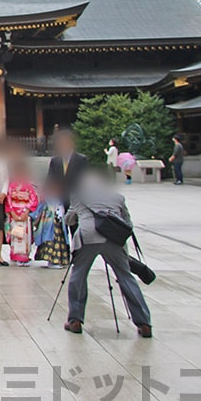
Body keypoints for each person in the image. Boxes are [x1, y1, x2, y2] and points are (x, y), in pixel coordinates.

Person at [63, 172, 152, 338]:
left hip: (87, 237)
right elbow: (128, 222)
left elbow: (69, 218)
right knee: (125, 277)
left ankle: (75, 320)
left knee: (79, 275)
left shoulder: (77, 194)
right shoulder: (117, 197)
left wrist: (75, 218)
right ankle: (144, 323)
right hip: (113, 239)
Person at [4, 162, 39, 266]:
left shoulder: (29, 186)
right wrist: (12, 213)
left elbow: (33, 199)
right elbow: (8, 200)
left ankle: (24, 257)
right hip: (14, 213)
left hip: (25, 213)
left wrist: (27, 211)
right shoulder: (11, 186)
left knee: (25, 236)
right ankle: (15, 255)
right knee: (15, 235)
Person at [46, 130, 88, 213]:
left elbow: (84, 178)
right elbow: (50, 178)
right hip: (59, 197)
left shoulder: (81, 159)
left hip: (76, 197)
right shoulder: (55, 160)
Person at [31, 180, 70, 269]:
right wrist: (32, 216)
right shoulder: (45, 200)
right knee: (50, 243)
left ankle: (58, 260)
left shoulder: (60, 200)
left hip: (59, 225)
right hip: (49, 226)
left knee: (59, 243)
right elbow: (38, 209)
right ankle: (52, 261)